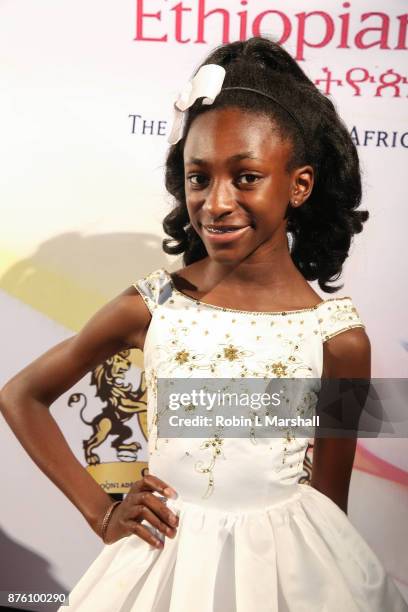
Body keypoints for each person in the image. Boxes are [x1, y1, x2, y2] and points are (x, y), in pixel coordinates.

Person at [0, 35, 406, 612]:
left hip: (292, 576)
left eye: (245, 177)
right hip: (162, 564)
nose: (216, 202)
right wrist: (101, 510)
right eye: (199, 178)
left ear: (299, 184)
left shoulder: (338, 340)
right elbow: (21, 395)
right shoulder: (154, 305)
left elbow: (329, 505)